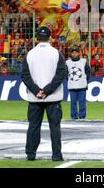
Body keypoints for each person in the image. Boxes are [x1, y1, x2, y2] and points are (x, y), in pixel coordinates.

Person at [21, 27, 66, 161]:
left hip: (35, 98)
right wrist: (47, 90)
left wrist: (36, 91)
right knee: (55, 128)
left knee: (33, 126)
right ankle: (57, 155)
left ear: (37, 39)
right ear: (50, 38)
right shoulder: (56, 53)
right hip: (53, 97)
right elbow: (60, 74)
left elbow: (24, 75)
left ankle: (31, 154)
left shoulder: (30, 54)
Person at [66, 46, 90, 120]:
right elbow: (66, 74)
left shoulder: (84, 61)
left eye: (76, 52)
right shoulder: (67, 63)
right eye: (73, 52)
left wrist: (85, 81)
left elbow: (88, 72)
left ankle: (82, 116)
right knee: (73, 103)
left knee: (82, 103)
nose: (74, 54)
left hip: (82, 86)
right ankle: (74, 117)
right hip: (72, 86)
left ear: (79, 53)